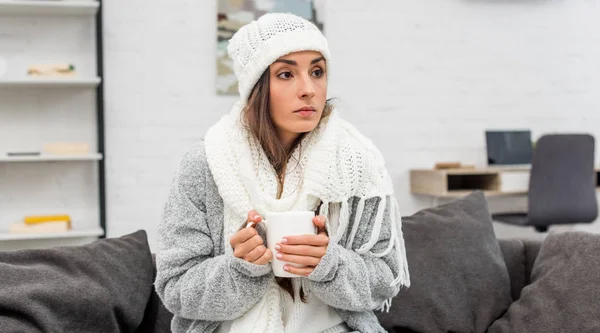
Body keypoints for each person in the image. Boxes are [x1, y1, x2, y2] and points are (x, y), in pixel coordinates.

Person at [155, 12, 410, 333]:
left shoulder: (358, 162)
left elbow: (384, 281)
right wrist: (241, 268)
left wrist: (328, 264)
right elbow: (176, 290)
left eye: (317, 71)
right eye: (286, 74)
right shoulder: (206, 162)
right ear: (256, 87)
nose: (308, 89)